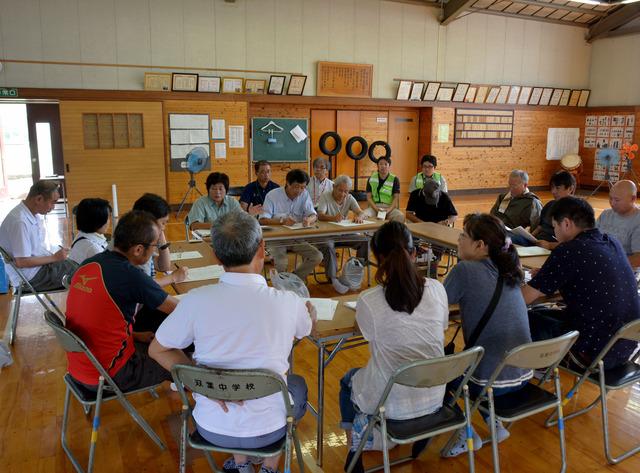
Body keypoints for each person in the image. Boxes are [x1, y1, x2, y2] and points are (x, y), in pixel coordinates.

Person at [150, 211, 315, 473]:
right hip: (269, 431)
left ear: (215, 255)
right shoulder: (287, 301)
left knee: (235, 384)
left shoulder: (195, 300)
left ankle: (242, 464)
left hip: (210, 428)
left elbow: (157, 348)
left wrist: (199, 378)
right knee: (295, 385)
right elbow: (305, 330)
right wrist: (309, 313)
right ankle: (269, 468)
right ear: (262, 249)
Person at [339, 221, 448, 471]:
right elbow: (439, 327)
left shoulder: (369, 300)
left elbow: (368, 335)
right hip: (434, 396)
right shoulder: (437, 289)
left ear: (377, 258)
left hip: (390, 402)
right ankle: (418, 435)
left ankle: (355, 451)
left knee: (347, 380)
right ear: (414, 252)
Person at [442, 213, 532, 457]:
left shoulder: (465, 270)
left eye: (463, 235)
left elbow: (434, 304)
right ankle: (495, 425)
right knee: (480, 362)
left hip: (493, 381)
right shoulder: (510, 267)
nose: (458, 239)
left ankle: (465, 434)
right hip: (524, 372)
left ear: (480, 246)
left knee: (436, 374)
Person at [65, 210, 178, 392]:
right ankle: (209, 399)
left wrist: (136, 336)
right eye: (154, 246)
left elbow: (95, 322)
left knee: (154, 327)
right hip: (111, 375)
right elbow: (179, 310)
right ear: (139, 249)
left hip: (80, 369)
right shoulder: (130, 275)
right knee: (178, 358)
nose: (154, 251)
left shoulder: (90, 263)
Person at [522, 196, 640, 370]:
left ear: (567, 224)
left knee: (525, 317)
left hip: (590, 352)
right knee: (544, 313)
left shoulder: (569, 250)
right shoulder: (611, 242)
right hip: (624, 346)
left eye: (555, 226)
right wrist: (552, 275)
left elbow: (524, 298)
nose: (555, 232)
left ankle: (528, 371)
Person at [0, 180, 78, 291]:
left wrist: (55, 257)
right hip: (31, 277)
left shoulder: (30, 214)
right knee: (81, 273)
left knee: (78, 266)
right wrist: (54, 257)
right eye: (53, 202)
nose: (53, 207)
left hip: (36, 270)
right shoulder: (20, 221)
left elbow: (34, 250)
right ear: (39, 199)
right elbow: (21, 261)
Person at [259, 169, 323, 280]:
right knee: (282, 263)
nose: (299, 190)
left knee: (317, 256)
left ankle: (293, 279)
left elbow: (314, 214)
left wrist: (309, 220)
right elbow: (263, 220)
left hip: (295, 237)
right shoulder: (273, 195)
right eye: (296, 186)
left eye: (303, 187)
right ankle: (283, 287)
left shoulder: (304, 195)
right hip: (276, 238)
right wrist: (282, 221)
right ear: (287, 183)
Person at [316, 175, 368, 294]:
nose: (343, 194)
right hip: (328, 234)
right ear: (334, 187)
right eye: (340, 190)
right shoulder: (326, 196)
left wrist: (360, 216)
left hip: (344, 233)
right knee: (328, 246)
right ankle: (333, 278)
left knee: (364, 240)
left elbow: (361, 212)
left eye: (346, 191)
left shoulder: (349, 198)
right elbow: (320, 215)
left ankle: (356, 271)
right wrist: (333, 218)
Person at [133, 193, 188, 287]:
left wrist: (160, 235)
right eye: (163, 223)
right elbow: (144, 287)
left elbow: (163, 266)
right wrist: (173, 277)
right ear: (148, 222)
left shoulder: (142, 235)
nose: (164, 227)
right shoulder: (136, 244)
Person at [596, 179, 640, 267]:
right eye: (610, 198)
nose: (612, 203)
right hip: (601, 260)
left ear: (633, 199)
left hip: (623, 267)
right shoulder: (606, 214)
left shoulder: (637, 220)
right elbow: (592, 237)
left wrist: (612, 265)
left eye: (617, 200)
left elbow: (638, 258)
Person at [533, 171, 576, 250]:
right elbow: (540, 227)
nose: (553, 191)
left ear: (570, 188)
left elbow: (574, 243)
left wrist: (549, 245)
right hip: (538, 243)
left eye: (557, 188)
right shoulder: (550, 205)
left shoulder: (577, 211)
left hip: (555, 249)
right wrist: (530, 237)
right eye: (552, 187)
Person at [69, 198, 111, 264]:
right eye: (107, 217)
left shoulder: (82, 235)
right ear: (97, 220)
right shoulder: (93, 249)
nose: (109, 222)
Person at [363, 157, 404, 222]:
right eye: (381, 164)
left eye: (385, 164)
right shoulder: (371, 178)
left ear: (389, 166)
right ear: (377, 166)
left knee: (400, 216)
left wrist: (388, 210)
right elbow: (369, 198)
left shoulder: (394, 179)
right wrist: (377, 209)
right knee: (363, 215)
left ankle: (392, 232)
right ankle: (369, 232)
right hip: (375, 207)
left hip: (389, 207)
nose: (383, 166)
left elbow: (396, 198)